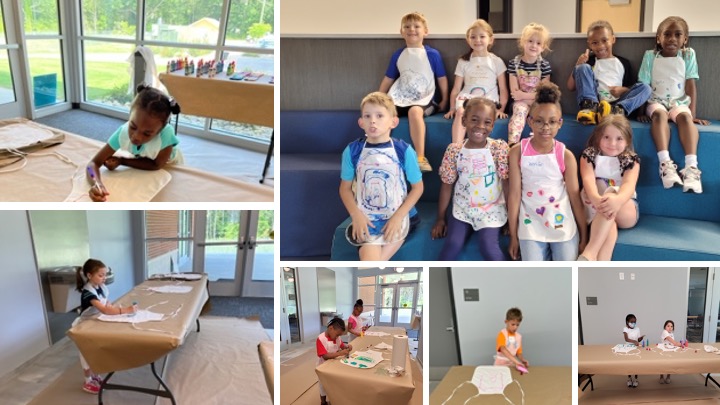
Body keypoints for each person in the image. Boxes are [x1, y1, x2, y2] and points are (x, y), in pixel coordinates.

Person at [339, 92, 424, 261]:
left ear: (394, 121)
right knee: (369, 260)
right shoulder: (352, 151)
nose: (373, 121)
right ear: (361, 122)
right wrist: (356, 215)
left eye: (379, 116)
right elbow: (345, 189)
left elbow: (418, 187)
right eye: (367, 116)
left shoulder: (404, 150)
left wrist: (398, 217)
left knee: (372, 265)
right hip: (367, 218)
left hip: (400, 217)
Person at [507, 83, 587, 261]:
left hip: (561, 221)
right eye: (539, 121)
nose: (545, 127)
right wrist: (513, 235)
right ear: (530, 121)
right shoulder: (517, 152)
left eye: (552, 122)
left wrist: (584, 234)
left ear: (560, 123)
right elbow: (513, 195)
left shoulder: (565, 156)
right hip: (530, 224)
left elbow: (575, 197)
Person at [638, 16, 709, 194]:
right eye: (667, 34)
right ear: (658, 38)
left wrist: (692, 114)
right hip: (656, 102)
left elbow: (691, 84)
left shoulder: (688, 54)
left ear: (685, 39)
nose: (672, 39)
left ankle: (691, 168)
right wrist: (640, 112)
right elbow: (643, 85)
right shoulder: (650, 56)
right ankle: (665, 164)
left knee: (685, 118)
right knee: (660, 115)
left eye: (678, 35)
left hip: (679, 101)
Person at [432, 98, 509, 260]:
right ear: (464, 120)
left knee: (488, 247)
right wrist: (440, 218)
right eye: (474, 120)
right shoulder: (455, 151)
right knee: (452, 244)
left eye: (487, 122)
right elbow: (447, 185)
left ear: (493, 125)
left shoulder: (498, 148)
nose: (480, 126)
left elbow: (506, 184)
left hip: (491, 209)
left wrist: (511, 219)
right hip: (462, 208)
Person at [87, 84, 182, 202]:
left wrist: (122, 160)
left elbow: (157, 164)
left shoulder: (167, 134)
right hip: (143, 157)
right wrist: (97, 183)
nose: (136, 137)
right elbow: (92, 164)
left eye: (147, 134)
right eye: (133, 126)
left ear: (160, 131)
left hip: (168, 163)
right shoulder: (122, 133)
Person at [379, 12, 449, 172]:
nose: (412, 29)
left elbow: (442, 78)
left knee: (415, 112)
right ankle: (377, 152)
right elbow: (389, 78)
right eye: (407, 26)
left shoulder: (432, 54)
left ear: (425, 31)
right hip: (401, 96)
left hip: (425, 99)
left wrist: (445, 99)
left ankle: (420, 157)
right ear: (401, 31)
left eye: (417, 26)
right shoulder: (398, 54)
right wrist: (379, 98)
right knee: (383, 113)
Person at [577, 115, 640, 261]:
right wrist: (596, 199)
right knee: (609, 223)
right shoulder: (589, 156)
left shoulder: (631, 159)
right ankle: (601, 269)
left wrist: (616, 201)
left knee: (611, 196)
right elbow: (588, 180)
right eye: (606, 137)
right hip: (594, 206)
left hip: (625, 207)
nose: (612, 143)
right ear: (598, 136)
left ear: (627, 140)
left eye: (619, 139)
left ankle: (589, 253)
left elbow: (628, 186)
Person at [567, 20, 651, 125]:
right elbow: (570, 87)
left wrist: (623, 90)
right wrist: (578, 64)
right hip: (595, 104)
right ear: (589, 44)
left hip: (617, 104)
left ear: (613, 39)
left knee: (646, 88)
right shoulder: (589, 62)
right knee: (582, 67)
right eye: (595, 43)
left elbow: (632, 88)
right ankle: (589, 108)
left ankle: (616, 112)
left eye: (604, 40)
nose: (600, 46)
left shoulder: (623, 63)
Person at [73, 259, 136, 394]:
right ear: (89, 276)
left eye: (105, 275)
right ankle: (87, 380)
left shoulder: (100, 287)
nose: (104, 278)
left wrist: (112, 307)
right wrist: (126, 310)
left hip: (95, 322)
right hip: (85, 327)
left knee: (95, 351)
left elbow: (106, 303)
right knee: (86, 354)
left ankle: (94, 374)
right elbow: (104, 310)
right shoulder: (88, 292)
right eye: (101, 275)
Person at [444, 19, 508, 144]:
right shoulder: (463, 61)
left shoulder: (496, 61)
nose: (477, 40)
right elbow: (456, 88)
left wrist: (501, 109)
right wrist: (452, 107)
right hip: (467, 98)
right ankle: (456, 148)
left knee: (484, 113)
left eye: (482, 36)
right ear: (468, 40)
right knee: (462, 112)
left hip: (489, 98)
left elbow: (503, 89)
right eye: (473, 37)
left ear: (491, 39)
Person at [507, 22, 552, 147]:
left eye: (538, 43)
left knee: (542, 115)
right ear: (523, 42)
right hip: (520, 102)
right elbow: (515, 92)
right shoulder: (514, 63)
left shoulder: (544, 65)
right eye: (530, 41)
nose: (533, 45)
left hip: (538, 101)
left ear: (543, 47)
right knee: (520, 112)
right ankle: (512, 144)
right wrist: (523, 96)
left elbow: (543, 92)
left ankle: (539, 145)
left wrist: (524, 95)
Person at [317, 317, 353, 405]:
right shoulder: (321, 339)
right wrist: (340, 353)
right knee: (323, 385)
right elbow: (325, 356)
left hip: (333, 364)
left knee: (332, 384)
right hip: (323, 367)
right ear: (331, 328)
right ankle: (323, 402)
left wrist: (347, 346)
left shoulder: (337, 338)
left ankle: (334, 399)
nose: (337, 337)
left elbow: (342, 345)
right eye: (337, 335)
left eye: (339, 336)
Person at [494, 307, 529, 373]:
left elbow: (518, 352)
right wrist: (516, 361)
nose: (515, 327)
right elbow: (503, 349)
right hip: (501, 364)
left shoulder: (519, 336)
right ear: (506, 322)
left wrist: (522, 360)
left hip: (512, 364)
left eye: (517, 325)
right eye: (513, 324)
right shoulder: (502, 334)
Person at [623, 314, 645, 388]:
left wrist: (640, 339)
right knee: (628, 364)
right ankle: (629, 378)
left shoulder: (637, 329)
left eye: (635, 322)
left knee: (636, 364)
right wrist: (634, 341)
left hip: (636, 348)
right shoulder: (625, 329)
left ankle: (635, 379)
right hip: (628, 348)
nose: (633, 323)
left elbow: (638, 339)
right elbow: (626, 339)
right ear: (627, 322)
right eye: (631, 322)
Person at [659, 320, 682, 384]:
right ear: (665, 327)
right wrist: (679, 344)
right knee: (663, 364)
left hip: (670, 350)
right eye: (668, 326)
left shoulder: (671, 333)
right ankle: (661, 376)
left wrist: (677, 344)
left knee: (670, 363)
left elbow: (672, 342)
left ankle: (668, 376)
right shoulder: (664, 332)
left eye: (671, 326)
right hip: (664, 350)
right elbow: (672, 341)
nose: (670, 327)